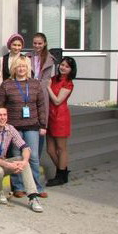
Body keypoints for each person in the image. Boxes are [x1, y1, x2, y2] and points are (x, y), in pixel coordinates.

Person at [0, 55, 47, 197]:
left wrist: (43, 124)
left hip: (32, 125)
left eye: (24, 66)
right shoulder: (7, 85)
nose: (21, 69)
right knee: (17, 156)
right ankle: (18, 186)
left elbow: (41, 105)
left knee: (33, 156)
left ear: (28, 68)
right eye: (18, 66)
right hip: (13, 126)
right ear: (14, 68)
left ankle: (37, 187)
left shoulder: (35, 84)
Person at [0, 103, 44, 213]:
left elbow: (25, 147)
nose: (3, 118)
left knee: (23, 161)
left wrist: (24, 161)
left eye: (4, 115)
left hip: (3, 161)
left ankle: (33, 197)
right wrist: (8, 165)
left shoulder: (10, 128)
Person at [46, 57, 77, 186]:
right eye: (62, 65)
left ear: (71, 70)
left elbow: (57, 101)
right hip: (49, 116)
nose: (63, 67)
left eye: (67, 66)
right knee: (50, 149)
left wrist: (48, 88)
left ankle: (60, 175)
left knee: (61, 148)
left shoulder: (68, 83)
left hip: (60, 117)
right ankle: (63, 172)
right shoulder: (53, 78)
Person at [28, 32, 56, 166]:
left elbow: (47, 79)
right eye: (35, 43)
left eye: (40, 43)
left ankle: (36, 160)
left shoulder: (50, 59)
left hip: (42, 92)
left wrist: (38, 86)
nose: (37, 46)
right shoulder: (28, 56)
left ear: (44, 43)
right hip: (29, 91)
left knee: (41, 125)